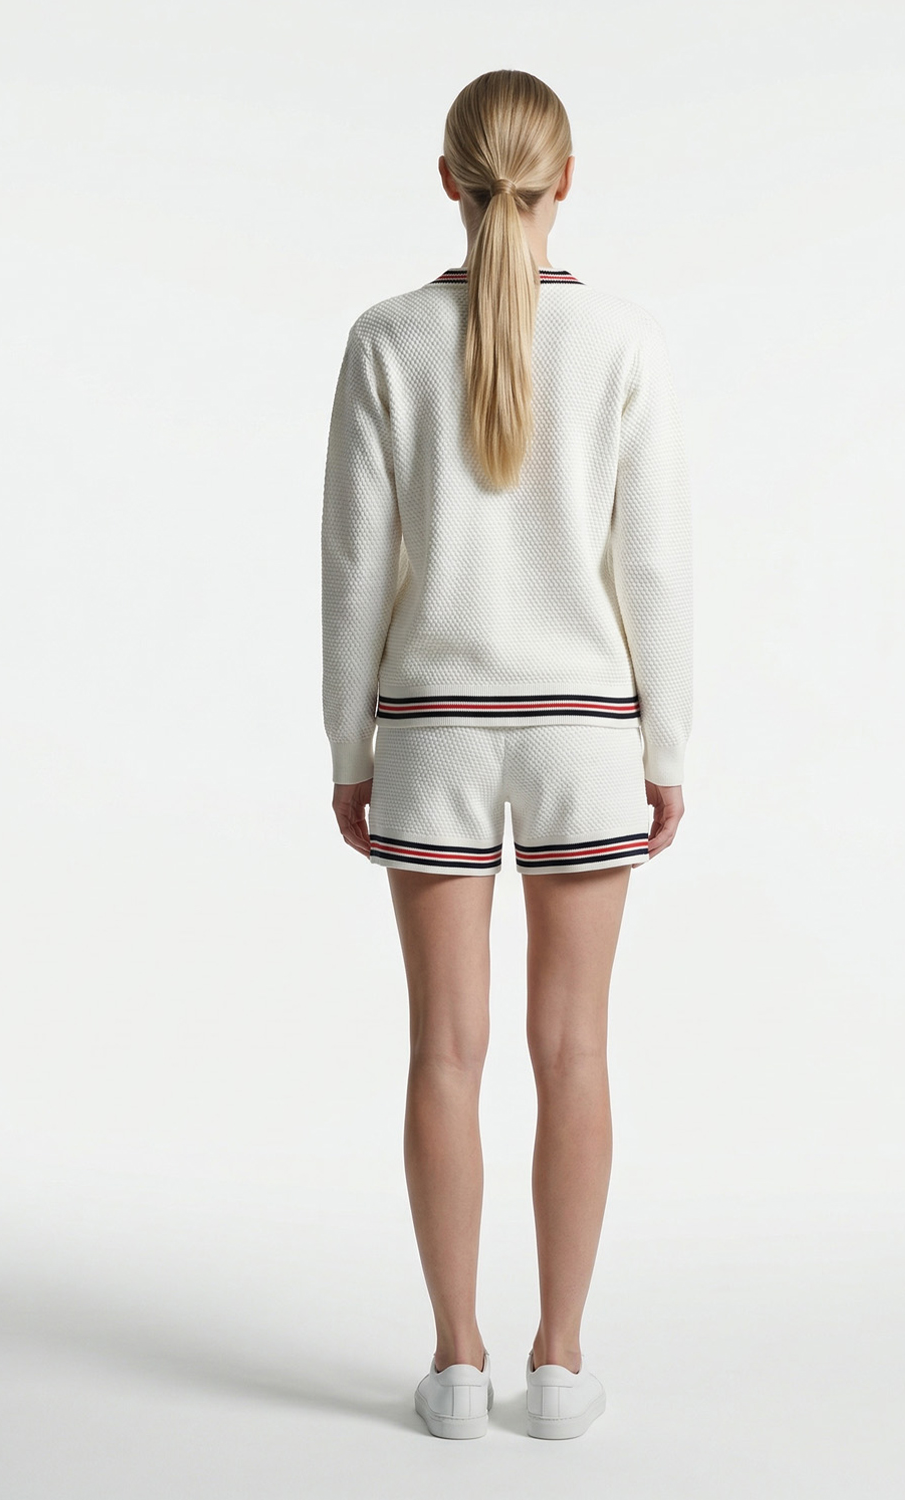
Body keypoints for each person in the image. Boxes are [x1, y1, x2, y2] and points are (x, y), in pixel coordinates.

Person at [320, 69, 693, 1440]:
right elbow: (651, 568)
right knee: (574, 1049)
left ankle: (458, 1366)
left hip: (428, 727)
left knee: (444, 1053)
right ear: (565, 180)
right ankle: (561, 1366)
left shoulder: (385, 340)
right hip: (587, 729)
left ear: (448, 179)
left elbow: (356, 569)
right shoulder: (624, 341)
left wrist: (348, 743)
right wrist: (667, 744)